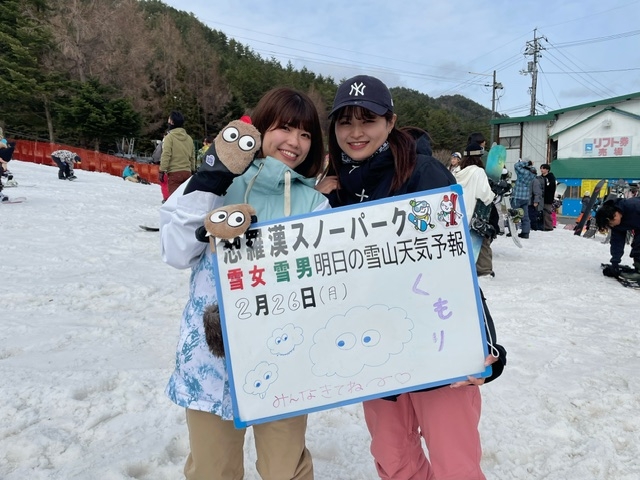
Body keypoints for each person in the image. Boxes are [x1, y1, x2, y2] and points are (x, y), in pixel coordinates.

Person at [318, 74, 506, 480]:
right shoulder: (335, 186)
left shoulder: (424, 172)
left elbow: (454, 266)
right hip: (376, 347)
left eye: (367, 120)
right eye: (344, 122)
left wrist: (483, 339)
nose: (355, 132)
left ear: (390, 122)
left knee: (454, 463)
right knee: (392, 457)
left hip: (436, 344)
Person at [160, 87, 329, 480]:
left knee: (286, 470)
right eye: (285, 128)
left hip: (284, 355)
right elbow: (175, 252)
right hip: (212, 356)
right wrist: (209, 181)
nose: (295, 143)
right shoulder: (218, 183)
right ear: (261, 127)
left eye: (305, 134)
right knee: (211, 471)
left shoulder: (314, 203)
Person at [456, 142, 497, 276]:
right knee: (481, 241)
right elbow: (484, 195)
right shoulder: (478, 172)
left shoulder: (456, 172)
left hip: (457, 215)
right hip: (474, 214)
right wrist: (493, 194)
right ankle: (484, 270)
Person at [596, 197, 640, 279]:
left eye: (610, 224)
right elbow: (617, 242)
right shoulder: (617, 223)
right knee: (637, 245)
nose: (612, 226)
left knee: (638, 244)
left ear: (613, 217)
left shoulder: (634, 207)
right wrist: (615, 263)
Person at [159, 111, 195, 197]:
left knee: (174, 200)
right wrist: (192, 170)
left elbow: (166, 154)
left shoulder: (169, 137)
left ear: (171, 122)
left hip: (174, 172)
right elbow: (192, 156)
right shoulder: (189, 138)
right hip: (187, 173)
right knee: (185, 199)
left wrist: (162, 170)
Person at [511, 158, 536, 239]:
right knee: (525, 216)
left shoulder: (522, 172)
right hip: (525, 197)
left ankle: (513, 231)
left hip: (517, 196)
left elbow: (516, 165)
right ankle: (525, 232)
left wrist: (525, 162)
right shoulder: (532, 173)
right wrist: (530, 164)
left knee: (514, 214)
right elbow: (532, 169)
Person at [539, 163, 556, 230]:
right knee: (540, 213)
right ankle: (542, 225)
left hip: (548, 198)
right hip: (540, 198)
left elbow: (551, 187)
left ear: (547, 170)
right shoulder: (540, 177)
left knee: (547, 212)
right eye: (541, 168)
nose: (542, 170)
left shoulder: (551, 178)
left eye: (543, 168)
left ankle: (548, 226)